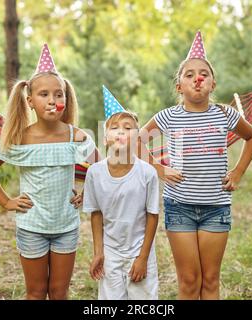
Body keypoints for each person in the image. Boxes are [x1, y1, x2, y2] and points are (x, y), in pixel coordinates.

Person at [138, 31, 252, 299]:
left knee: (211, 280)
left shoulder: (225, 115)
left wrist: (238, 172)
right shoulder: (168, 117)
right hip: (179, 206)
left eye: (203, 73)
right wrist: (160, 169)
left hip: (216, 207)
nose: (198, 78)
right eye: (189, 74)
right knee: (190, 281)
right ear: (179, 86)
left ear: (213, 84)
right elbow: (136, 142)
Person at [0, 44, 98, 300]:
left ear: (66, 99)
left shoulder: (76, 137)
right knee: (36, 292)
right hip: (32, 226)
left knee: (58, 292)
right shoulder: (19, 139)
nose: (53, 100)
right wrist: (6, 201)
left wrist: (89, 193)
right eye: (44, 94)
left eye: (59, 94)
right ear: (30, 101)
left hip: (66, 225)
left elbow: (101, 169)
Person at [83, 86, 160, 300]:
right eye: (114, 127)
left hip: (139, 249)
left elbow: (152, 216)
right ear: (105, 137)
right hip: (111, 252)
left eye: (128, 128)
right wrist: (99, 252)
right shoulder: (95, 173)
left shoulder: (147, 173)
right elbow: (96, 214)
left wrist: (143, 257)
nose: (121, 131)